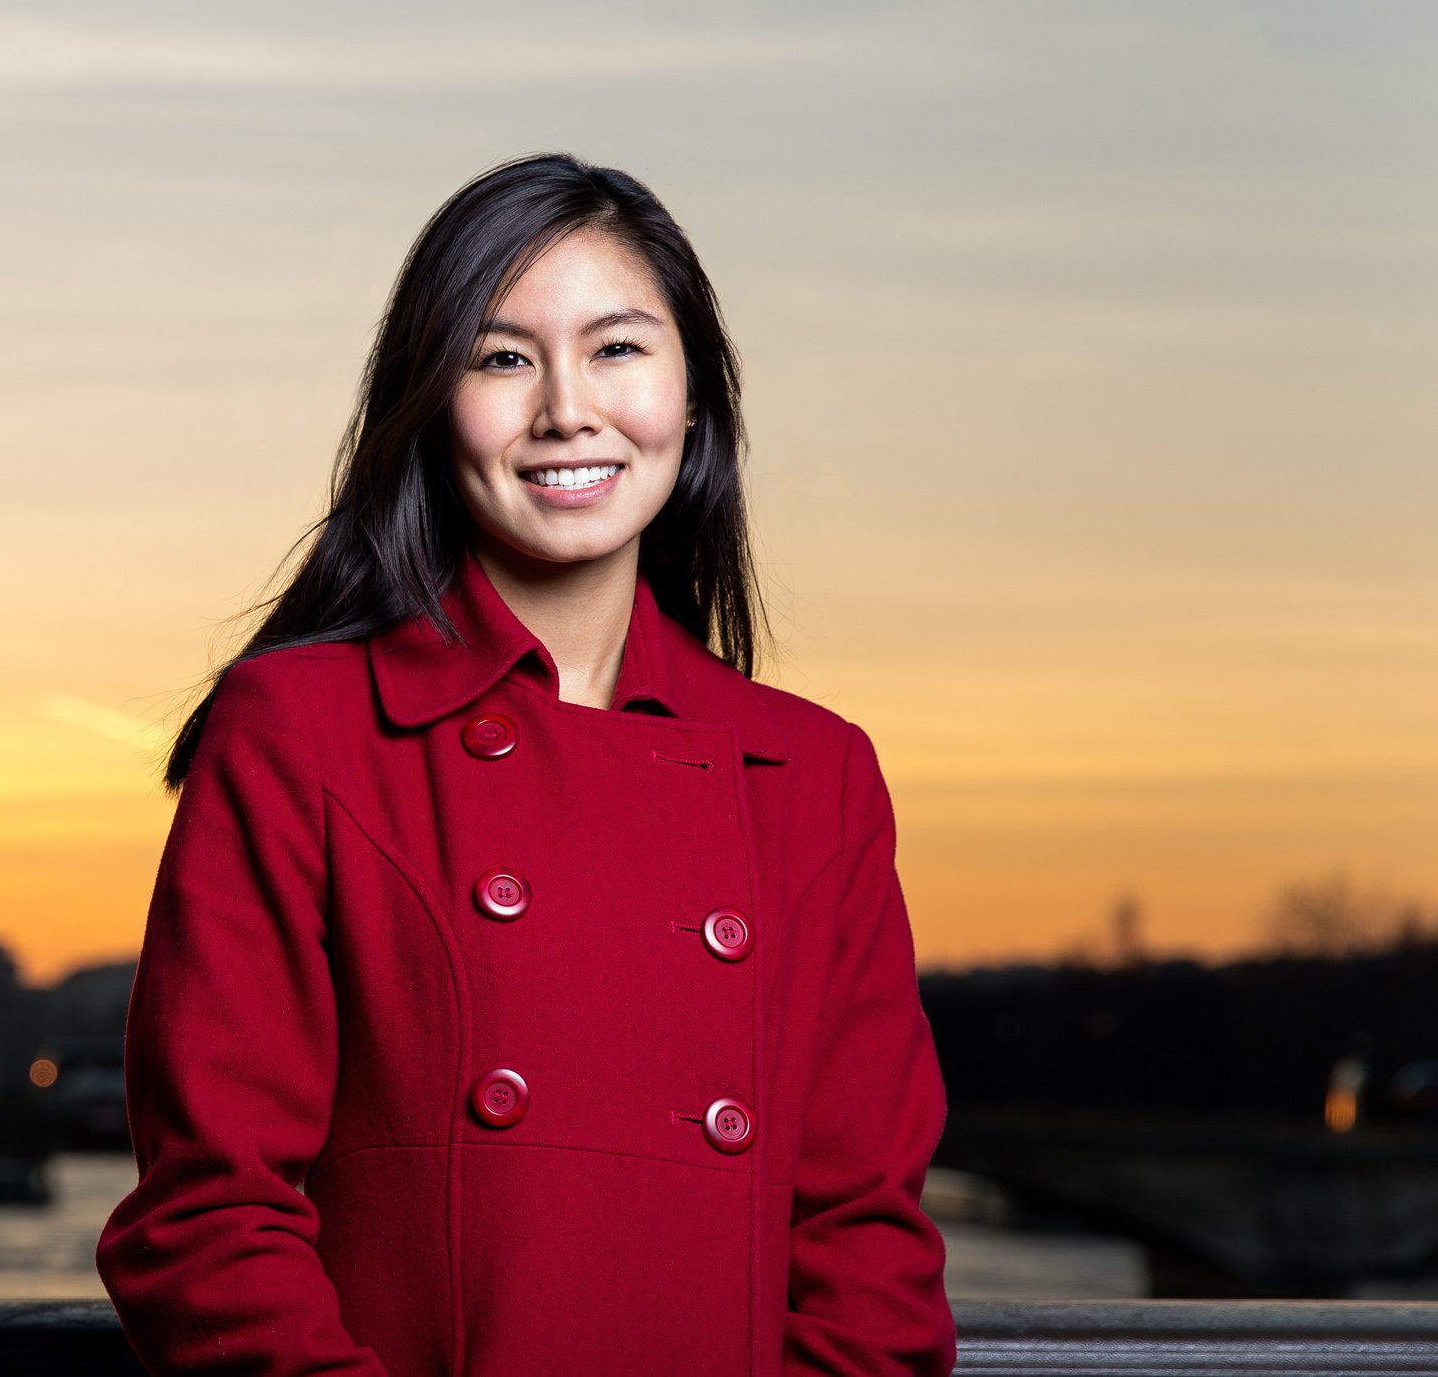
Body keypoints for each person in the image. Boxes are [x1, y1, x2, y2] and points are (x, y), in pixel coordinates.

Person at [96, 155, 956, 1376]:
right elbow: (206, 1219)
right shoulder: (299, 730)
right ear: (430, 404)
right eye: (502, 358)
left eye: (617, 349)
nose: (566, 409)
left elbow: (868, 1251)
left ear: (695, 394)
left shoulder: (813, 775)